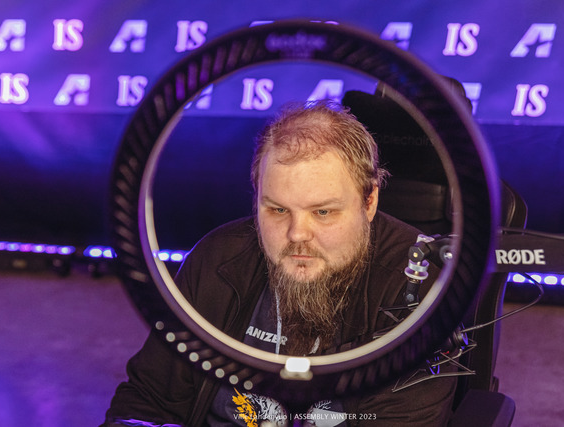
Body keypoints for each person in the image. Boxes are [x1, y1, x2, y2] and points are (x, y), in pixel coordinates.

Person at [102, 100, 457, 426]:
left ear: (369, 202)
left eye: (322, 212)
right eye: (277, 209)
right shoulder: (216, 259)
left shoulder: (418, 287)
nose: (296, 234)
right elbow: (147, 399)